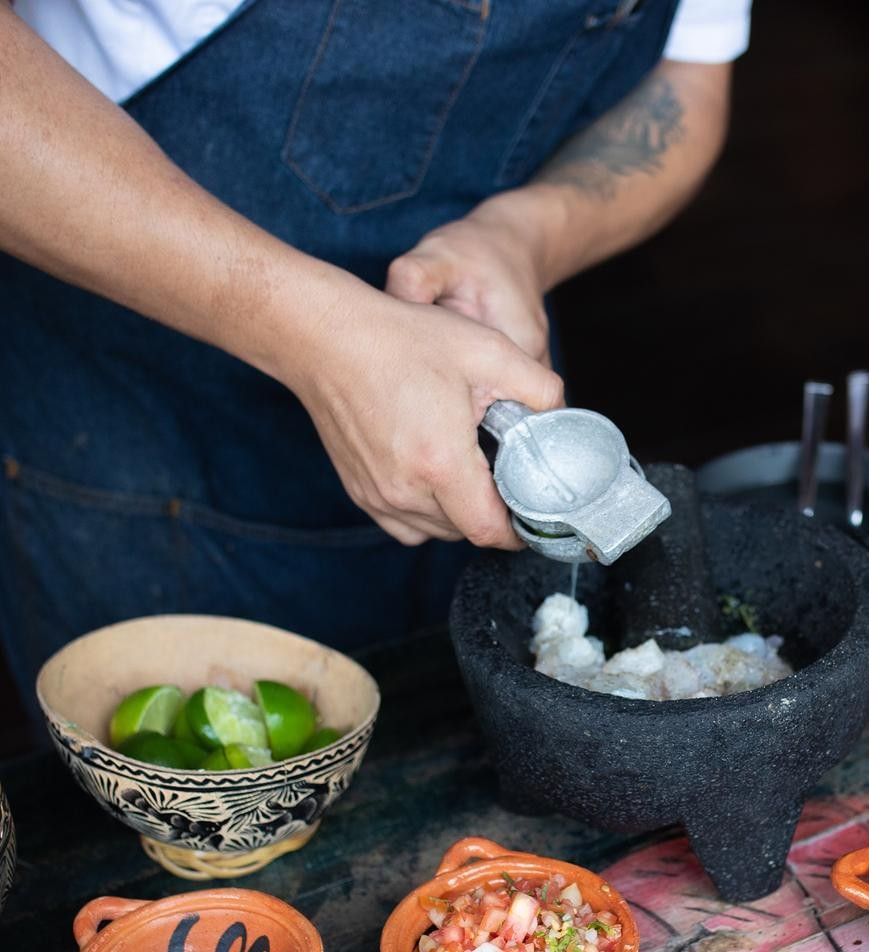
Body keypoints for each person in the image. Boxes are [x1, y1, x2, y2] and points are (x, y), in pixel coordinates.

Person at [0, 0, 749, 721]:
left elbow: (686, 80)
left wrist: (524, 236)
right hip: (148, 426)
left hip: (475, 396)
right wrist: (318, 335)